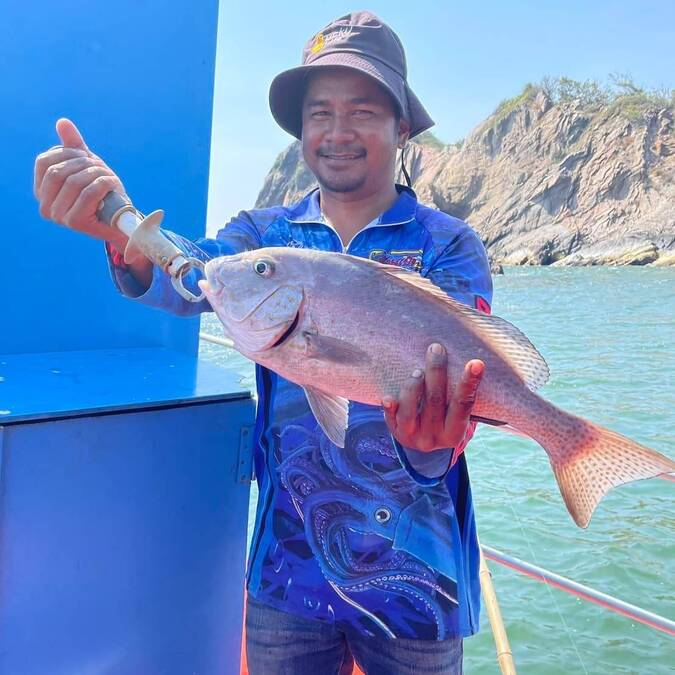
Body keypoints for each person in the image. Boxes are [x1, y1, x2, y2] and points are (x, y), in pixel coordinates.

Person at [34, 11, 492, 674]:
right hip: (286, 577)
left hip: (415, 587)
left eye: (362, 111)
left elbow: (457, 408)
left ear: (402, 128)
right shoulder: (264, 236)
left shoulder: (448, 245)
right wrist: (118, 225)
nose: (336, 132)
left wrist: (430, 446)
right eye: (318, 113)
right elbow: (193, 276)